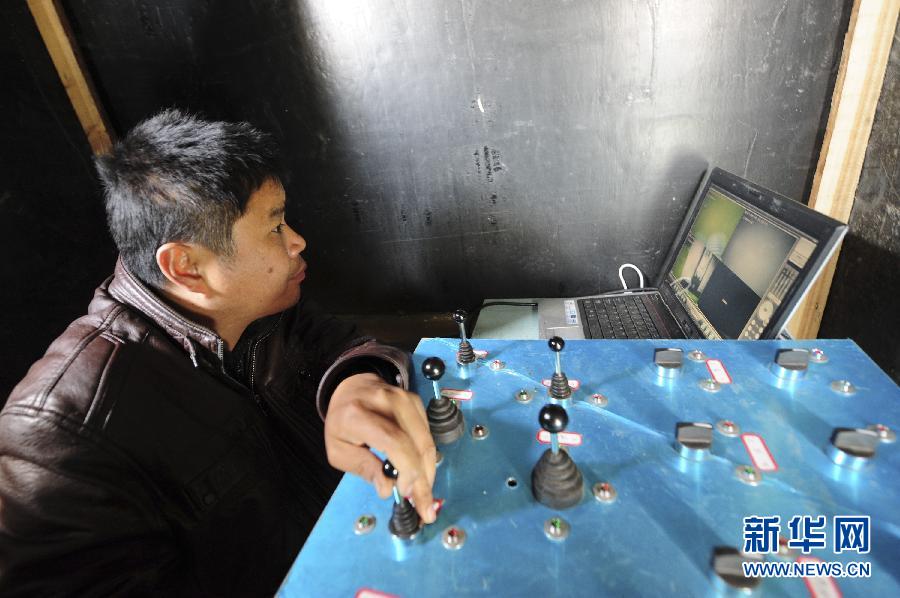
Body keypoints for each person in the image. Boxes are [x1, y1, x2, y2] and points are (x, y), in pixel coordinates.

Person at [0, 109, 437, 595]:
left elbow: (335, 342)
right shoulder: (58, 433)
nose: (297, 241)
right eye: (274, 228)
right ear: (186, 266)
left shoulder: (255, 305)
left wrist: (355, 383)